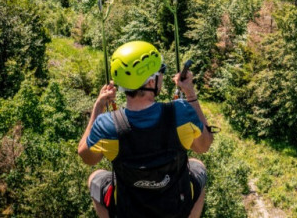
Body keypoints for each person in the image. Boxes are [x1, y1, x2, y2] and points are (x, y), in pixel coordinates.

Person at [78, 41, 214, 217]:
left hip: (129, 210)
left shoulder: (106, 125)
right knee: (198, 166)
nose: (163, 77)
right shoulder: (181, 112)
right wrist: (190, 94)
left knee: (95, 178)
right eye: (161, 72)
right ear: (151, 81)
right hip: (175, 207)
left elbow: (87, 157)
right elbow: (204, 146)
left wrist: (98, 107)